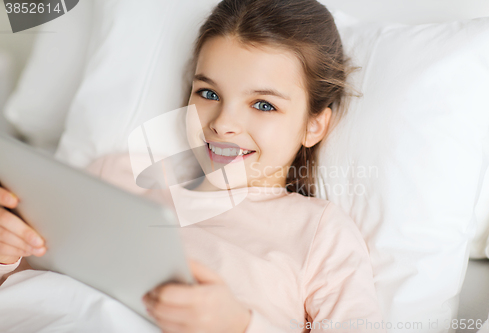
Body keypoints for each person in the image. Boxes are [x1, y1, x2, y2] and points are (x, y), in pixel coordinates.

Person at [0, 0, 386, 332]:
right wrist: (7, 254)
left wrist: (238, 324)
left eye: (263, 104)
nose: (222, 123)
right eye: (209, 93)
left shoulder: (320, 233)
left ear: (313, 125)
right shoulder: (113, 176)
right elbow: (32, 288)